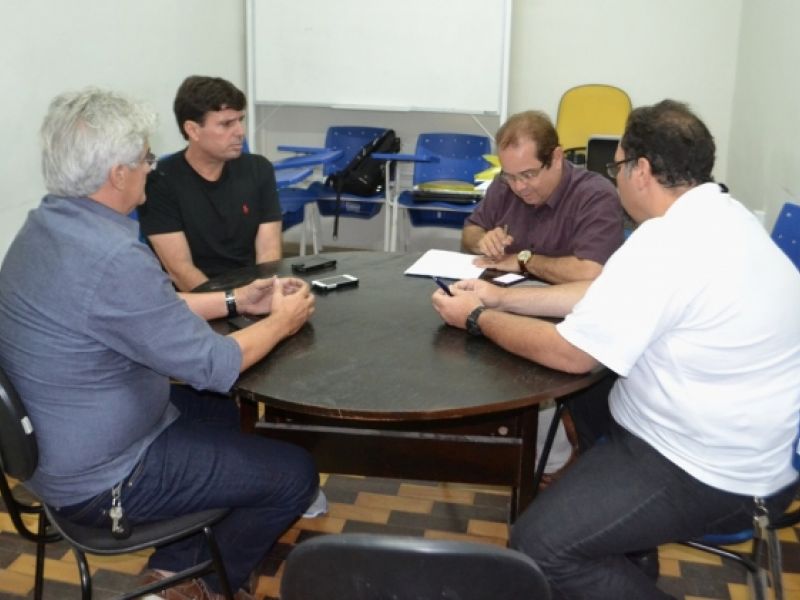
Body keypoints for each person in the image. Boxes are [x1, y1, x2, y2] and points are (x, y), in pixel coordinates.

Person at [433, 99, 800, 599]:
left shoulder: (669, 243)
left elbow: (571, 354)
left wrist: (477, 318)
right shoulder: (720, 216)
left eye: (618, 165)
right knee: (585, 394)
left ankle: (614, 557)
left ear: (640, 170)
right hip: (729, 435)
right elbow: (599, 295)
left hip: (713, 469)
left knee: (538, 546)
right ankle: (625, 554)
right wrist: (501, 297)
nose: (616, 177)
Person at [0, 88, 319, 600]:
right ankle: (203, 587)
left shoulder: (45, 227)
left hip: (61, 446)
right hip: (103, 481)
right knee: (294, 475)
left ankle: (171, 570)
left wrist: (236, 300)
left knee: (219, 411)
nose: (151, 168)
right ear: (117, 174)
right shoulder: (113, 257)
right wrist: (283, 321)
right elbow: (216, 363)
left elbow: (147, 310)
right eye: (145, 159)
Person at [139, 75, 283, 292]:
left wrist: (264, 293)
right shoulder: (158, 182)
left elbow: (268, 253)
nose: (240, 132)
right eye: (226, 124)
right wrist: (232, 304)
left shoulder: (259, 169)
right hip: (197, 299)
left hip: (253, 291)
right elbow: (180, 270)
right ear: (193, 130)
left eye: (240, 120)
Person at [462, 110, 624, 284]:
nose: (519, 186)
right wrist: (483, 241)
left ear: (556, 158)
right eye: (510, 176)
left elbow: (591, 272)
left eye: (528, 174)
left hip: (560, 299)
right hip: (503, 292)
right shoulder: (503, 184)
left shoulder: (596, 196)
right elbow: (470, 230)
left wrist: (524, 261)